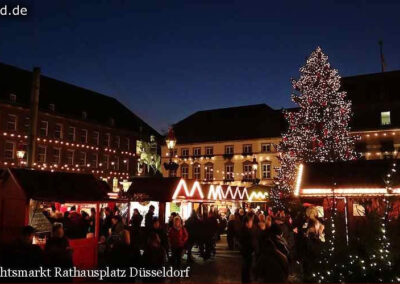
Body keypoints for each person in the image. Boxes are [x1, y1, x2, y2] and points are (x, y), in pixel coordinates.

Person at [240, 215, 257, 283]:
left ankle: (246, 280)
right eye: (250, 222)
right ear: (246, 223)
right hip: (247, 252)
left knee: (246, 268)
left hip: (246, 252)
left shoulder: (245, 230)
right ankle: (246, 281)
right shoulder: (246, 231)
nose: (251, 223)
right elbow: (249, 243)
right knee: (246, 267)